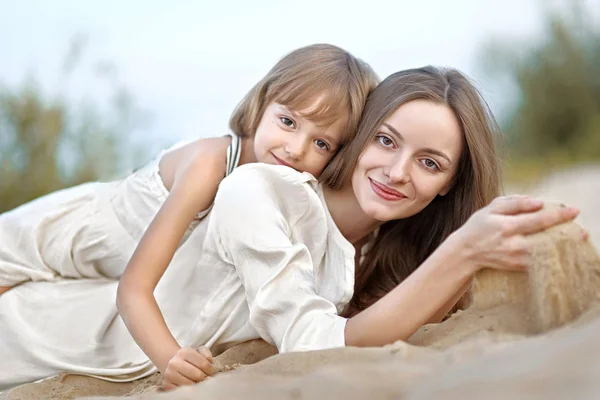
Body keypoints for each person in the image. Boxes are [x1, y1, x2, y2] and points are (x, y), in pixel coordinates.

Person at [0, 66, 579, 391]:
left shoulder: (372, 248)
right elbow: (315, 338)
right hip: (36, 333)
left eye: (430, 163)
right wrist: (461, 251)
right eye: (385, 140)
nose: (397, 172)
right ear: (361, 135)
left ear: (451, 182)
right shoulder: (254, 189)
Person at [0, 43, 378, 296]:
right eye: (288, 121)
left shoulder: (279, 189)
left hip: (100, 268)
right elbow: (135, 287)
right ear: (264, 101)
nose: (296, 149)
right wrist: (171, 359)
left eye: (322, 143)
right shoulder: (210, 164)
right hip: (72, 230)